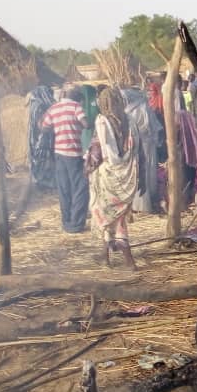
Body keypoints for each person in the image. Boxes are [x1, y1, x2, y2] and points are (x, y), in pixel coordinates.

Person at [86, 88, 139, 269]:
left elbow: (97, 151)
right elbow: (136, 148)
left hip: (108, 177)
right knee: (118, 217)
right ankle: (106, 258)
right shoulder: (128, 120)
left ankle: (128, 262)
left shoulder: (102, 121)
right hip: (126, 177)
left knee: (108, 217)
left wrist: (88, 167)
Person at [41, 87, 90, 233]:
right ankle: (76, 224)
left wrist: (58, 129)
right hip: (73, 153)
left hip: (59, 153)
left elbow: (44, 127)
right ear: (77, 98)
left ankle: (66, 222)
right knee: (80, 188)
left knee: (64, 188)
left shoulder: (54, 108)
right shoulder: (76, 106)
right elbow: (85, 124)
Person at [122, 87, 161, 213]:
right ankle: (144, 198)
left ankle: (141, 201)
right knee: (145, 170)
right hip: (144, 144)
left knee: (141, 171)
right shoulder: (143, 107)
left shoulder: (133, 110)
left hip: (140, 145)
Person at [28, 86, 56, 190]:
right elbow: (40, 124)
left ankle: (41, 183)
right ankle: (44, 184)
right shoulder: (41, 105)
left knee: (39, 160)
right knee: (43, 160)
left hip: (36, 138)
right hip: (42, 138)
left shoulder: (34, 104)